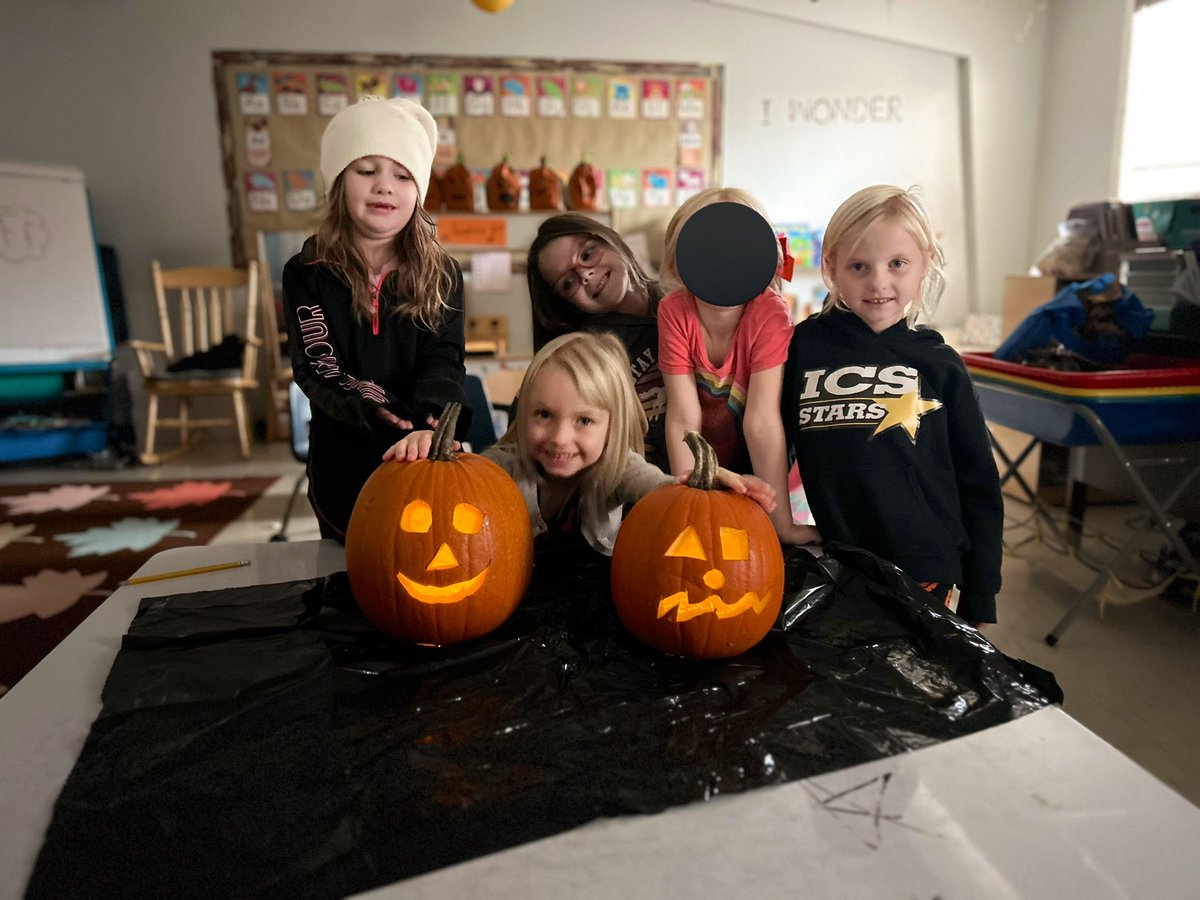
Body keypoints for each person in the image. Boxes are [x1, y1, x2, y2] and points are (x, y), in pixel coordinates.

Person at [780, 184, 1003, 626]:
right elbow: (768, 439)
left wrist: (981, 593)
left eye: (897, 264)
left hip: (926, 568)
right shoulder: (801, 349)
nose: (879, 282)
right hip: (836, 563)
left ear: (926, 263)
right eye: (859, 266)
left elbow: (978, 480)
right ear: (832, 267)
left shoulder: (941, 363)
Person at [384, 331, 774, 558]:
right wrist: (431, 450)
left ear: (611, 425)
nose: (559, 438)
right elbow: (460, 481)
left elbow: (664, 493)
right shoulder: (506, 466)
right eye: (543, 415)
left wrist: (707, 486)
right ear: (524, 412)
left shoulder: (620, 467)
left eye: (584, 421)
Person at [281, 96, 467, 542]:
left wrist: (430, 421)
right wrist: (371, 406)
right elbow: (318, 364)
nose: (385, 187)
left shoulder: (443, 273)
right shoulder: (306, 272)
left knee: (427, 553)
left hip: (421, 450)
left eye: (403, 176)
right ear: (339, 183)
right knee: (353, 558)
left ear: (418, 191)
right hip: (342, 456)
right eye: (366, 171)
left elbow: (444, 358)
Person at [658, 188, 819, 546]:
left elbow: (761, 420)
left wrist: (782, 524)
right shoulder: (674, 311)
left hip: (767, 470)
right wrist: (690, 500)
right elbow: (683, 417)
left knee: (762, 549)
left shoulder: (769, 314)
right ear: (677, 264)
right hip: (704, 463)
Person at [527, 214, 669, 469]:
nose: (585, 275)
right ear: (566, 303)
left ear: (609, 239)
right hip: (637, 483)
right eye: (568, 283)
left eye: (587, 255)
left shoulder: (682, 299)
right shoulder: (582, 351)